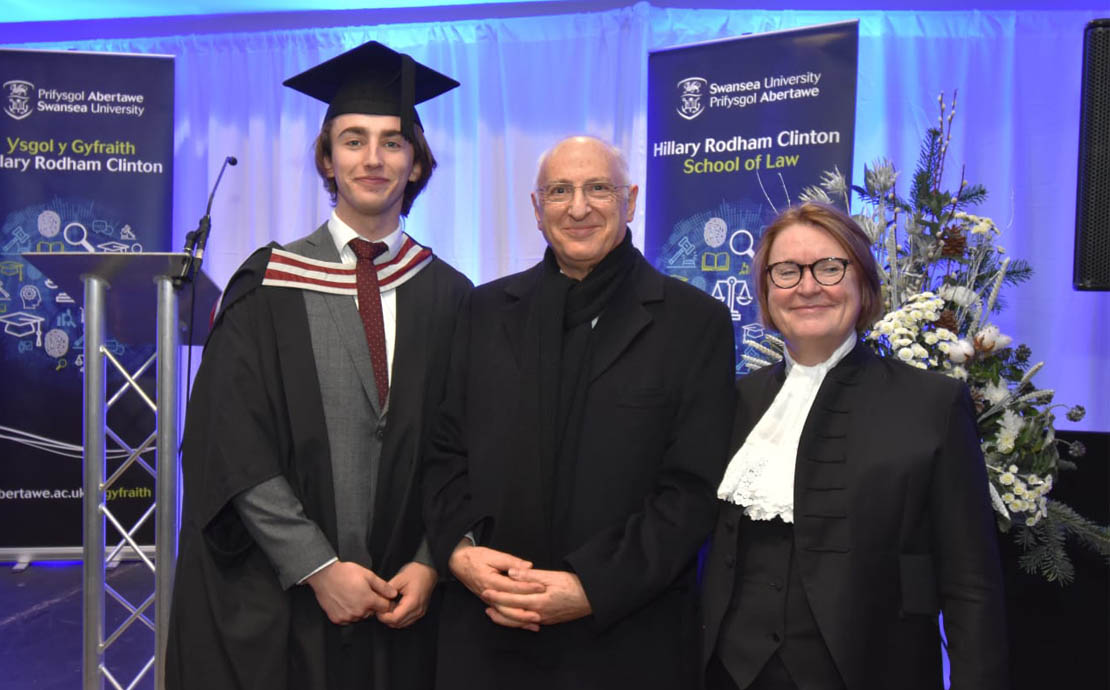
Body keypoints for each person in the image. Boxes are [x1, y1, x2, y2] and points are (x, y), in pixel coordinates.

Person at [166, 41, 472, 690]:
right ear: (326, 160)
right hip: (287, 599)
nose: (373, 158)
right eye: (353, 140)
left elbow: (469, 445)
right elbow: (231, 442)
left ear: (416, 165)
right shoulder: (267, 284)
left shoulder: (450, 293)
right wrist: (316, 566)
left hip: (405, 600)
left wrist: (431, 561)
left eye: (393, 142)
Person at [422, 135, 735, 689]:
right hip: (489, 630)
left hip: (625, 640)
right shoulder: (484, 311)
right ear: (537, 209)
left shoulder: (693, 323)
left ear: (631, 200)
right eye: (560, 190)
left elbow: (691, 491)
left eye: (598, 188)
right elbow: (444, 451)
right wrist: (459, 552)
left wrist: (591, 587)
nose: (579, 206)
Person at [701, 202, 1009, 690]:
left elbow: (971, 584)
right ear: (765, 291)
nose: (807, 286)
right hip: (731, 675)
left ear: (863, 283)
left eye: (829, 267)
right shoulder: (735, 400)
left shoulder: (932, 404)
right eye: (786, 271)